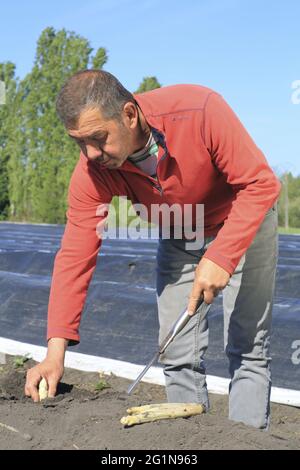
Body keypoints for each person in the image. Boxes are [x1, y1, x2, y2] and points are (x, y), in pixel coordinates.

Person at [25, 70, 281, 429]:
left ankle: (245, 438)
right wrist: (55, 352)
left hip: (243, 220)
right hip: (180, 232)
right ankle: (188, 443)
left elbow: (259, 184)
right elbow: (75, 252)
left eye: (99, 138)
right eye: (79, 142)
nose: (91, 154)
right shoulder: (93, 169)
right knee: (176, 352)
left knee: (247, 348)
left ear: (130, 114)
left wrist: (221, 256)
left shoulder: (199, 111)